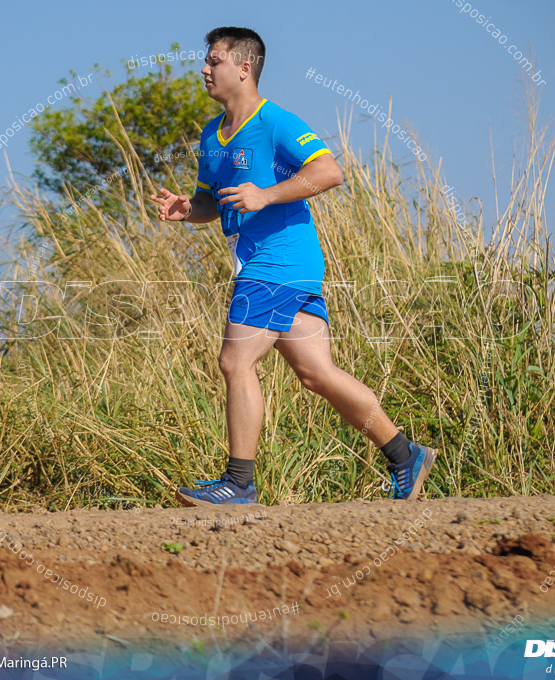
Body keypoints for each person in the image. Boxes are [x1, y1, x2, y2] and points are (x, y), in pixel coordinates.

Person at [149, 26, 436, 506]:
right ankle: (405, 455)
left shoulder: (275, 122)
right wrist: (189, 209)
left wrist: (267, 195)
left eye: (214, 60)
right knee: (317, 374)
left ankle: (238, 483)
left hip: (279, 261)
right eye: (206, 60)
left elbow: (329, 171)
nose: (204, 68)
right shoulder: (211, 135)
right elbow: (212, 201)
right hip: (276, 266)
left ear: (244, 68)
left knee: (235, 360)